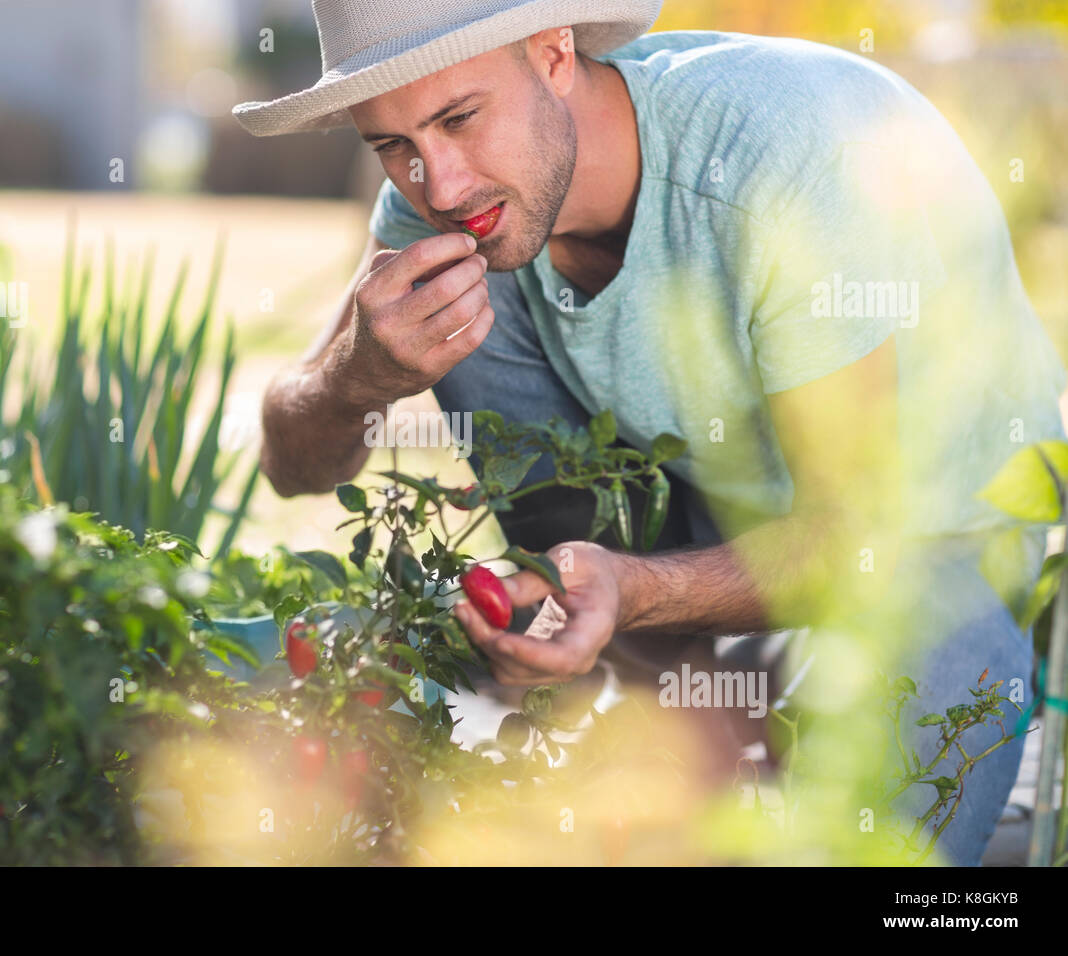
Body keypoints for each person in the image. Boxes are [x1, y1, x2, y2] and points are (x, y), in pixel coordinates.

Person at [232, 1, 1067, 865]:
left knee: (920, 721)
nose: (438, 185)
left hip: (928, 556)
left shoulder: (785, 153)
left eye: (459, 118)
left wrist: (636, 591)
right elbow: (290, 464)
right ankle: (678, 725)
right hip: (698, 567)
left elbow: (858, 545)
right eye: (394, 148)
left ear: (554, 52)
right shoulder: (454, 209)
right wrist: (356, 379)